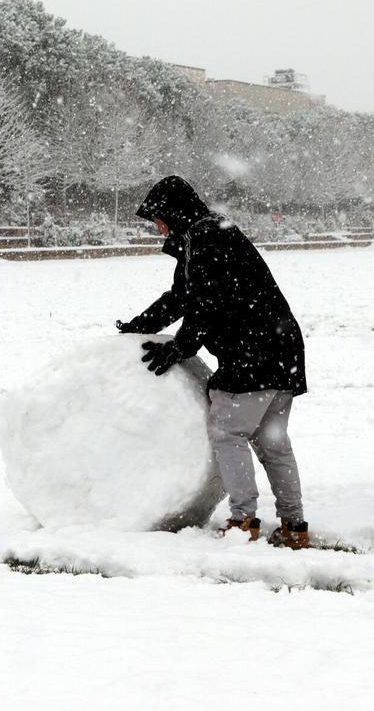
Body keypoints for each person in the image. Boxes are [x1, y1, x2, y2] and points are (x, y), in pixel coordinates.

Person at [115, 176, 310, 548]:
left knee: (227, 432)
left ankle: (243, 521)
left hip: (252, 352)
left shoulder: (206, 239)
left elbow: (207, 303)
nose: (156, 226)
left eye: (158, 218)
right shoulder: (205, 235)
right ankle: (293, 524)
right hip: (280, 349)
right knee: (273, 441)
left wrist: (179, 348)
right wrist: (139, 327)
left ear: (174, 212)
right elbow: (181, 297)